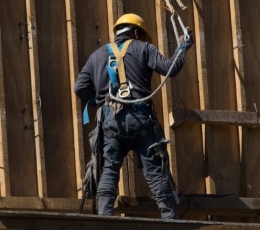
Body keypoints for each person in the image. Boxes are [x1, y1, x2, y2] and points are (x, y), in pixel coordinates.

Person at [74, 13, 194, 219]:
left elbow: (80, 87)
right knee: (154, 172)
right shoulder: (144, 48)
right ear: (136, 32)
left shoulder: (96, 56)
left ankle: (104, 218)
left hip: (112, 120)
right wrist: (182, 47)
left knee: (110, 169)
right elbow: (169, 68)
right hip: (140, 118)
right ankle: (170, 220)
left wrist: (101, 101)